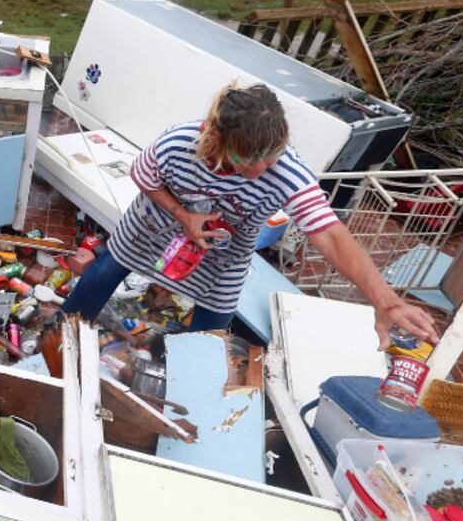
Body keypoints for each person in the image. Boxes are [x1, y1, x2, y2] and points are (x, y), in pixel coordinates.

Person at [61, 83, 439, 347]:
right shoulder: (179, 143)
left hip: (223, 252)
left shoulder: (287, 172)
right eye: (246, 162)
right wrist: (182, 215)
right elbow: (142, 176)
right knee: (106, 270)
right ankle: (62, 332)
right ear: (215, 139)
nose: (261, 170)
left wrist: (385, 300)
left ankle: (193, 385)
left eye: (271, 157)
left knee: (215, 319)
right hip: (152, 226)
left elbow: (330, 233)